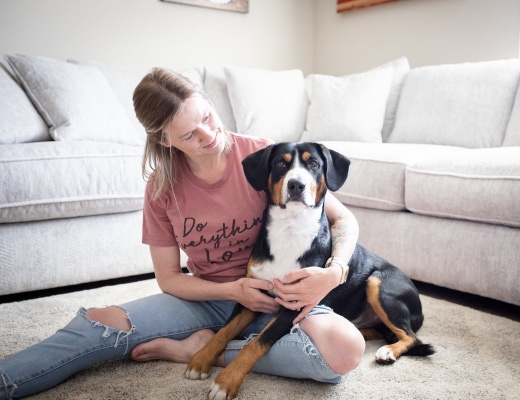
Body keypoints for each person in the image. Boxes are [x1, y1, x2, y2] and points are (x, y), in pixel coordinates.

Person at [0, 67, 365, 400]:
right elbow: (169, 279)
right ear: (165, 141)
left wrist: (334, 272)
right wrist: (233, 290)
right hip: (207, 297)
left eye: (206, 116)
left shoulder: (263, 157)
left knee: (345, 349)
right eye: (189, 134)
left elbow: (343, 220)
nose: (208, 135)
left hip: (283, 298)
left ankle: (207, 350)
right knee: (99, 325)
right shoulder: (162, 187)